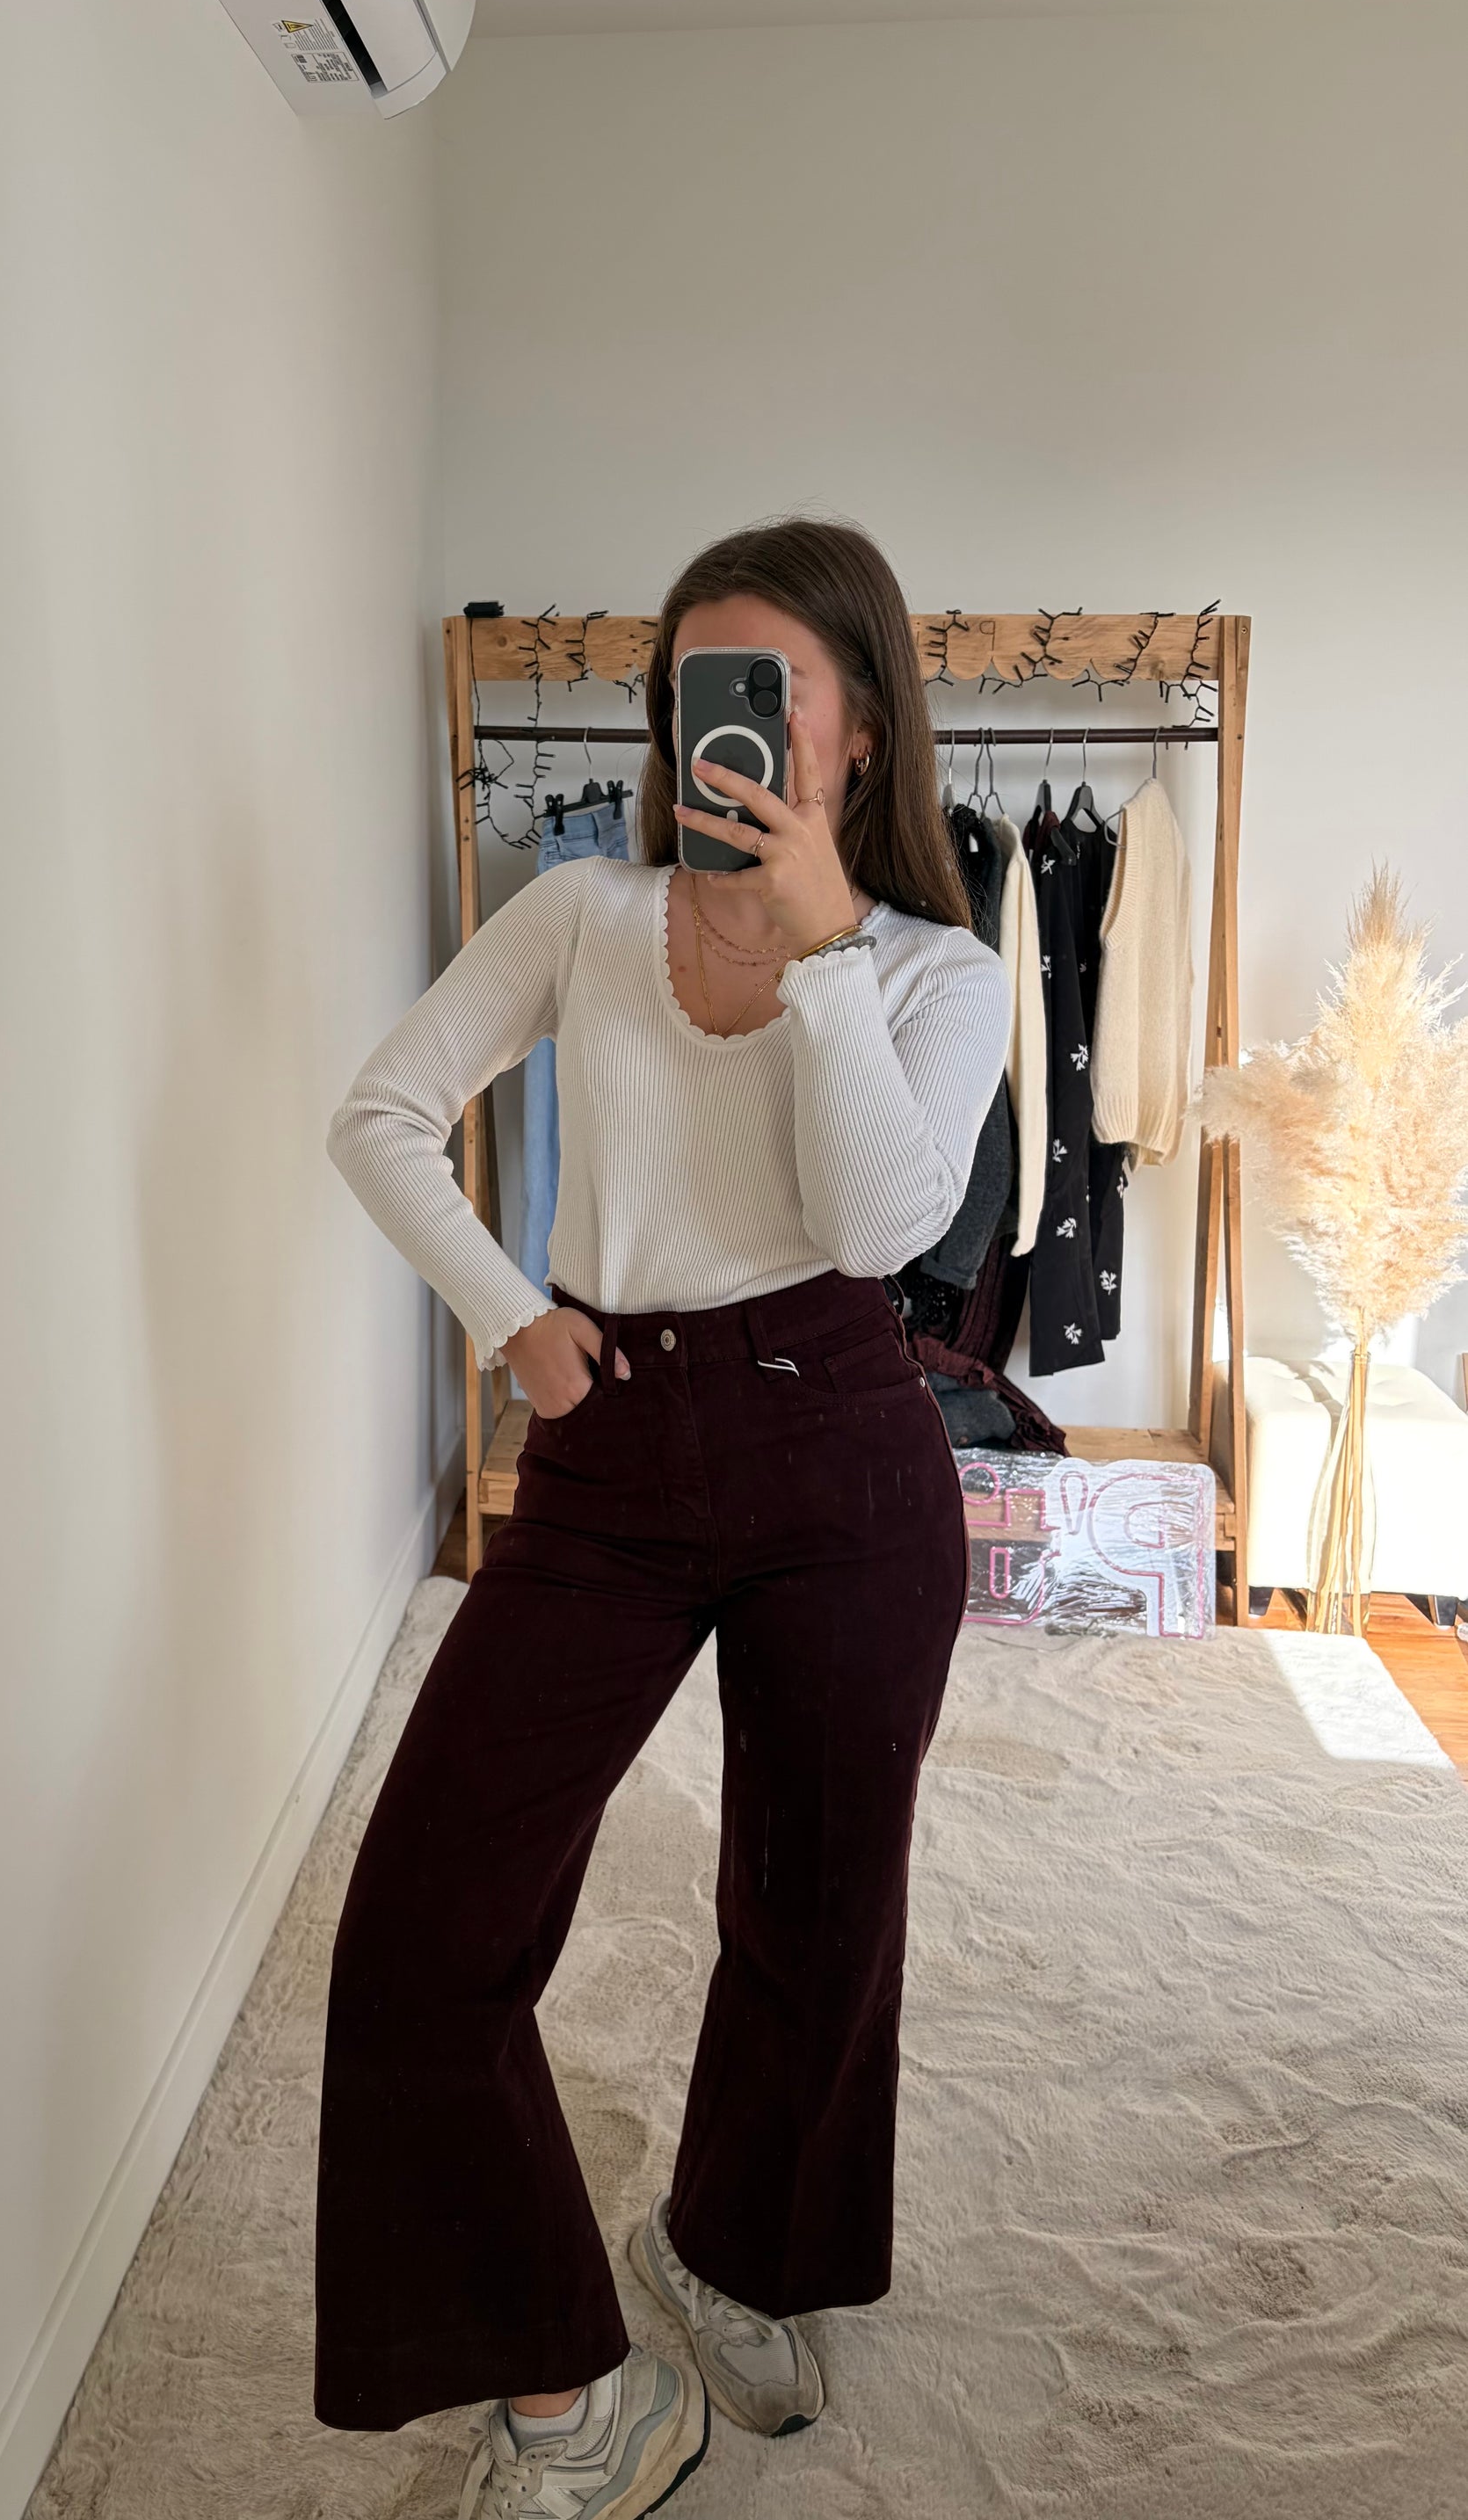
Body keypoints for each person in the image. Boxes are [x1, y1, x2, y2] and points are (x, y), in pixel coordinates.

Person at [316, 518, 1010, 2520]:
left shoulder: (942, 972)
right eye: (699, 686)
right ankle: (571, 2391)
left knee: (814, 1911)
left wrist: (822, 944)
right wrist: (512, 1320)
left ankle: (739, 2254)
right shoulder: (581, 911)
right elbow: (378, 1113)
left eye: (772, 687)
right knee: (425, 1927)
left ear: (856, 730)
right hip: (610, 1448)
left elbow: (878, 1230)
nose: (729, 726)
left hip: (843, 1447)